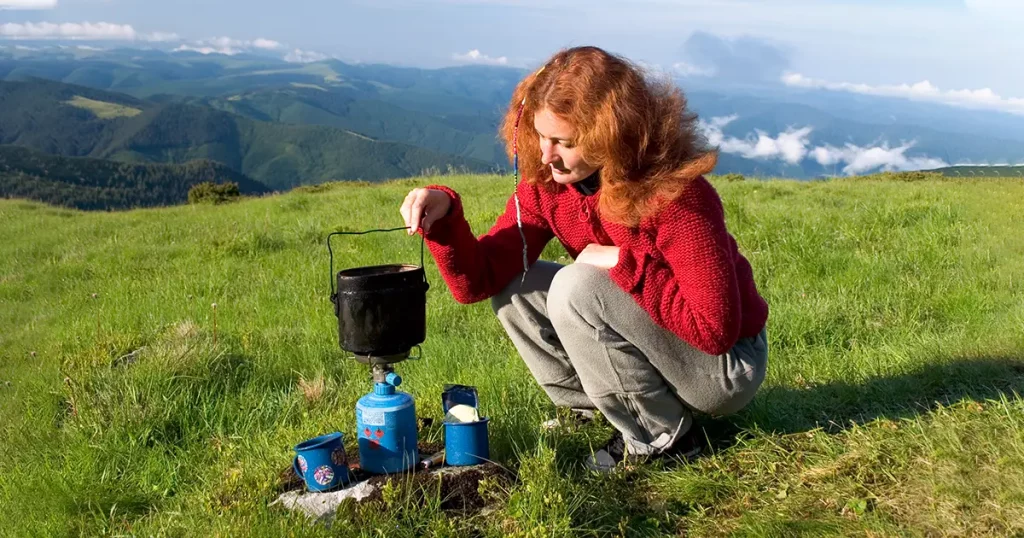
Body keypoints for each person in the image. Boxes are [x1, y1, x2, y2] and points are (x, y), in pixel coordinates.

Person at [399, 46, 768, 471]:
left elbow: (714, 330)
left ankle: (663, 440)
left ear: (609, 135)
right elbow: (478, 282)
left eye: (564, 142)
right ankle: (604, 410)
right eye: (539, 135)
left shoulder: (678, 197)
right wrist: (444, 216)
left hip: (722, 369)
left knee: (578, 285)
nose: (544, 155)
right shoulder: (548, 187)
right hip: (664, 338)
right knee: (515, 287)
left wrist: (620, 262)